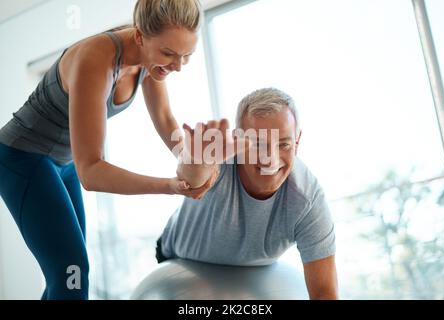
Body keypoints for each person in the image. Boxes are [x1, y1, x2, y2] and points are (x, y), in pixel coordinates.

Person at [0, 0, 215, 300]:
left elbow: (165, 119)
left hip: (65, 162)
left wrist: (193, 164)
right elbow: (92, 172)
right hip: (22, 158)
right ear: (140, 36)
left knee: (65, 272)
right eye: (168, 54)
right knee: (71, 270)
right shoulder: (95, 59)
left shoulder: (150, 62)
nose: (177, 66)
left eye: (186, 56)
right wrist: (170, 187)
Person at [157, 88, 339, 299]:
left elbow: (325, 293)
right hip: (182, 263)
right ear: (237, 140)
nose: (270, 159)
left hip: (254, 275)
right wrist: (195, 160)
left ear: (297, 141)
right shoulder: (219, 159)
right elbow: (191, 178)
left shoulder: (307, 200)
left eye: (283, 144)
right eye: (258, 144)